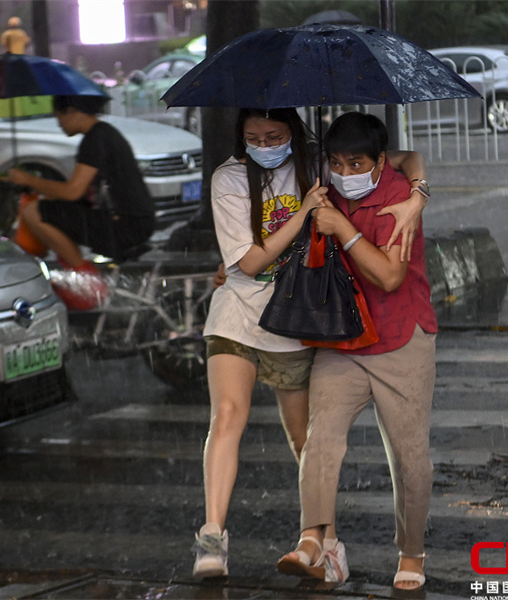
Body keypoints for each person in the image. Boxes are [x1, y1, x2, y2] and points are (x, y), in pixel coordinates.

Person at [194, 107, 430, 582]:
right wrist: (304, 213)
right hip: (280, 323)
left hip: (345, 326)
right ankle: (235, 537)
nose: (265, 144)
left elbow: (406, 164)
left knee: (352, 447)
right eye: (254, 137)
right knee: (262, 426)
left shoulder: (338, 172)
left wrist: (418, 196)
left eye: (275, 135)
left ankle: (371, 549)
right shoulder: (243, 178)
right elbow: (248, 260)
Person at [283, 112, 438, 592]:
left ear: (377, 161)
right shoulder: (323, 188)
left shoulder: (397, 198)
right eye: (336, 163)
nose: (346, 174)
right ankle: (313, 539)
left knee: (409, 456)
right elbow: (410, 156)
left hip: (400, 338)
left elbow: (390, 277)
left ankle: (411, 552)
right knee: (321, 435)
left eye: (357, 163)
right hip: (344, 337)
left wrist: (343, 229)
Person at [4, 95, 155, 310]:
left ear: (73, 111)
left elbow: (73, 192)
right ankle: (80, 276)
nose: (59, 123)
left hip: (124, 226)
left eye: (59, 117)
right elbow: (81, 193)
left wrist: (28, 180)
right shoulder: (103, 134)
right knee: (49, 207)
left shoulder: (95, 139)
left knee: (34, 211)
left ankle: (84, 281)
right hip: (135, 222)